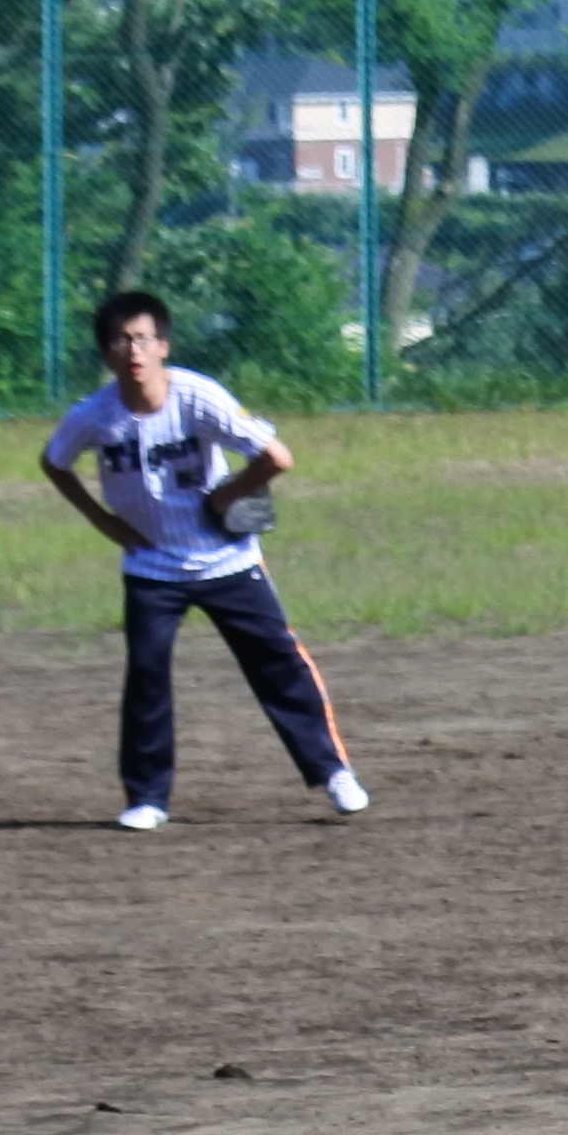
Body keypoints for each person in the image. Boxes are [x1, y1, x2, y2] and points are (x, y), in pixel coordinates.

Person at [39, 291, 367, 832]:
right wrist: (103, 522)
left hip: (227, 558)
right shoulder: (95, 416)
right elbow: (55, 463)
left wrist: (227, 495)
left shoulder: (196, 397)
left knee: (277, 662)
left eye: (143, 338)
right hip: (151, 566)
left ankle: (333, 773)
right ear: (106, 352)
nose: (133, 350)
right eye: (120, 340)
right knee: (147, 675)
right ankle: (147, 798)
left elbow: (276, 457)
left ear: (163, 344)